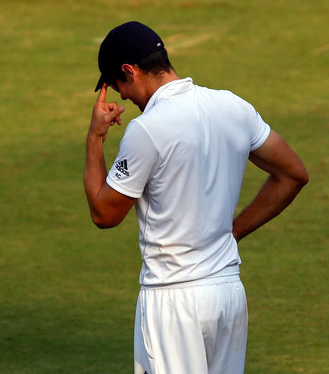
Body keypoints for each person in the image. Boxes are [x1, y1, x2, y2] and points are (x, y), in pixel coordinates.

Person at [83, 21, 309, 374]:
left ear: (130, 71)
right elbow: (293, 174)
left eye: (116, 85)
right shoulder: (233, 107)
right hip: (227, 294)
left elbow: (104, 214)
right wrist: (233, 233)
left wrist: (95, 138)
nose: (121, 97)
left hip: (173, 303)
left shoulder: (148, 130)